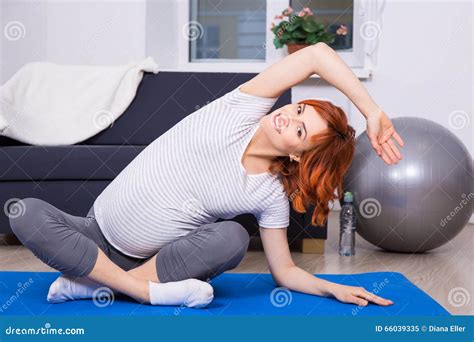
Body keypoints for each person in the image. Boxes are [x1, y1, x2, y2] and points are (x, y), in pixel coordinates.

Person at [9, 42, 404, 308]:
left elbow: (284, 272)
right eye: (300, 110)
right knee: (23, 212)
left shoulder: (268, 195)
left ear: (301, 158)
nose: (288, 116)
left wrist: (332, 288)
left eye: (299, 131)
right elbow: (316, 54)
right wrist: (371, 111)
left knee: (232, 237)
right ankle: (140, 293)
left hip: (152, 261)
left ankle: (99, 282)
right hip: (94, 233)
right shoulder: (239, 109)